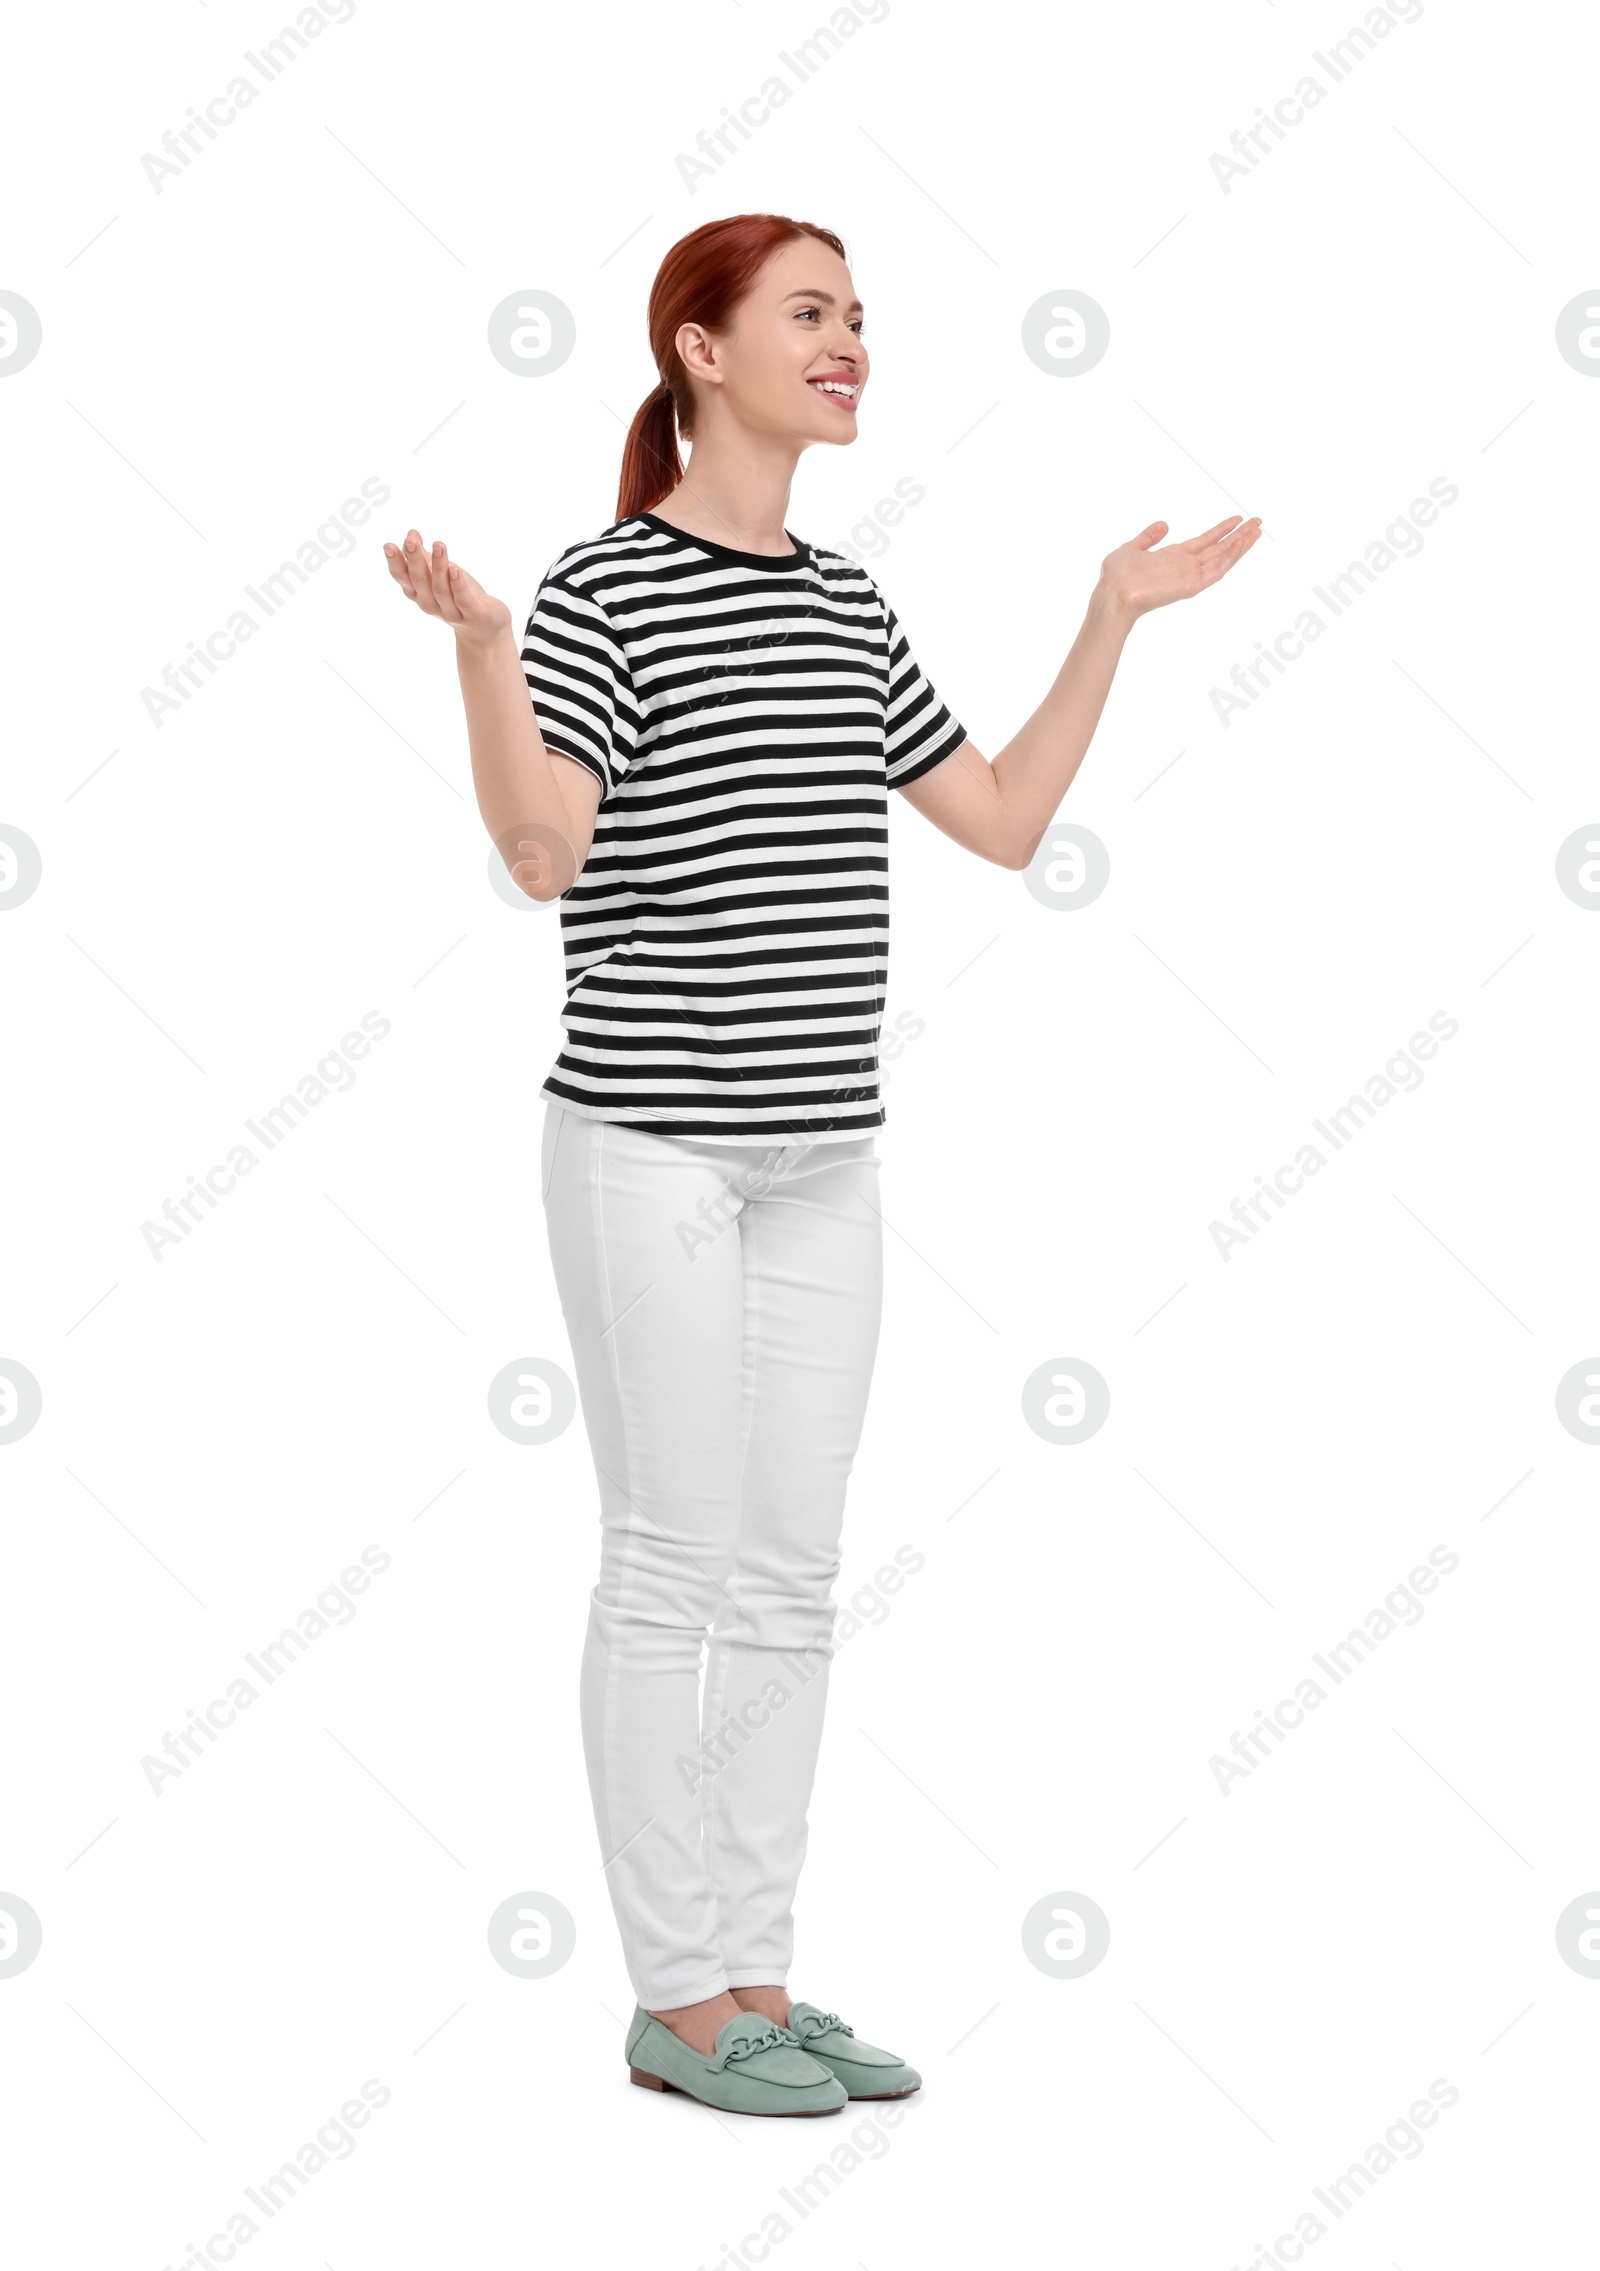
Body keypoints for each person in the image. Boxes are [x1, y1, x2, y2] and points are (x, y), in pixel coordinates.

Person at [382, 211, 1260, 2118]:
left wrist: (1109, 616)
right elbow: (545, 859)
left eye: (860, 316)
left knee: (790, 1576)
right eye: (810, 313)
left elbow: (1009, 823)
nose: (851, 340)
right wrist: (482, 658)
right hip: (648, 1154)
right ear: (700, 352)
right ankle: (670, 2000)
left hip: (823, 1158)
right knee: (670, 1562)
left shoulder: (849, 601)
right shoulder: (608, 590)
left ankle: (757, 1984)